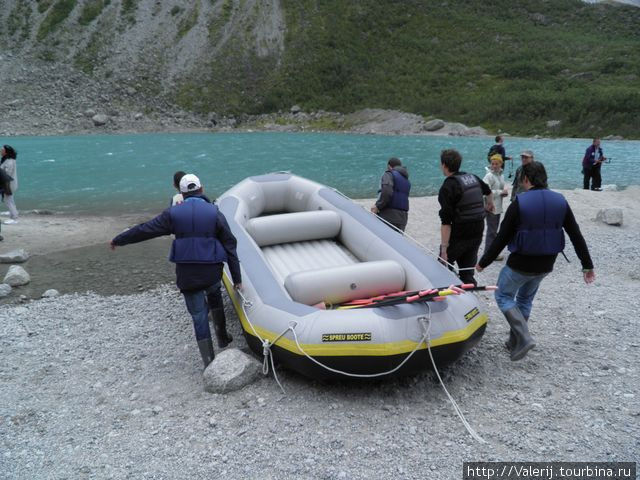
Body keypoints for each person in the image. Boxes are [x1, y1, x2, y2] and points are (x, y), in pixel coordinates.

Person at [110, 174, 242, 368]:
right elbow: (230, 245)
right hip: (212, 270)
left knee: (198, 315)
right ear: (202, 189)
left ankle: (208, 362)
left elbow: (145, 230)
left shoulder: (172, 214)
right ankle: (222, 338)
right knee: (214, 295)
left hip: (187, 273)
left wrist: (119, 239)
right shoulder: (214, 213)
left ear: (181, 193)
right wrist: (237, 278)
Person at [476, 161, 595, 361]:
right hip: (547, 263)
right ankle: (514, 343)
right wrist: (587, 265)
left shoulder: (520, 202)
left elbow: (502, 237)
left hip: (521, 263)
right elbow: (575, 234)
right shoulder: (560, 201)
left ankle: (524, 337)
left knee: (504, 296)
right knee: (524, 299)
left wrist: (483, 262)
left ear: (526, 179)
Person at [437, 149, 494, 286]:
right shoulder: (472, 177)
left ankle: (447, 294)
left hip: (460, 233)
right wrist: (489, 206)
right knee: (467, 271)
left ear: (444, 165)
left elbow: (446, 222)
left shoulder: (448, 186)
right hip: (477, 230)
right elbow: (489, 191)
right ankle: (469, 289)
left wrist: (444, 250)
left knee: (442, 267)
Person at [371, 157, 410, 231]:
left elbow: (387, 191)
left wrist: (378, 206)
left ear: (389, 166)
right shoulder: (406, 180)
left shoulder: (389, 174)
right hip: (403, 218)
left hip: (388, 215)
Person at [483, 154, 509, 260]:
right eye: (492, 163)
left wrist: (505, 192)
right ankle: (489, 254)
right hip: (490, 206)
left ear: (501, 164)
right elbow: (485, 191)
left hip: (497, 206)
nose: (494, 166)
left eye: (496, 163)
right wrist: (500, 192)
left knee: (493, 230)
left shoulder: (501, 175)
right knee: (492, 231)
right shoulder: (488, 176)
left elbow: (501, 188)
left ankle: (490, 253)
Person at [1, 145, 19, 224]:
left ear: (6, 152)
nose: (1, 151)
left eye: (2, 150)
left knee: (8, 200)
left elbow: (6, 173)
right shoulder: (7, 160)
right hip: (7, 183)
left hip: (8, 184)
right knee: (9, 200)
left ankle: (14, 218)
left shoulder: (9, 161)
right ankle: (13, 214)